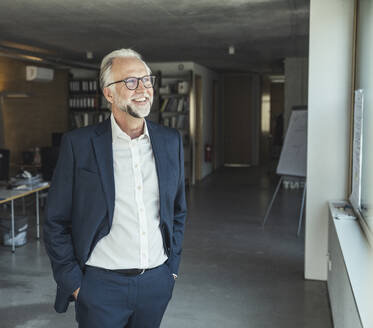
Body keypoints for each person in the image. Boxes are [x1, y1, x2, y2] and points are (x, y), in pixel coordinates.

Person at [43, 48, 187, 328]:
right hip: (100, 287)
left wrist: (171, 272)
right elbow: (55, 221)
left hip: (156, 284)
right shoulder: (79, 144)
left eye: (147, 80)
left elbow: (178, 210)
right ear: (109, 93)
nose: (143, 89)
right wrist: (75, 284)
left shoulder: (170, 141)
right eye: (130, 82)